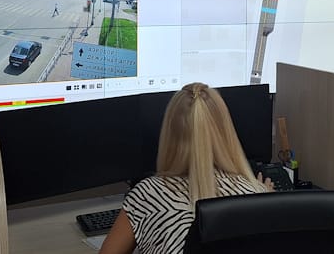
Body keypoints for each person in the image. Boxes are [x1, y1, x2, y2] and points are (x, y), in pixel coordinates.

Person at [99, 82, 272, 254]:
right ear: (226, 131)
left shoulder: (146, 195)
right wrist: (265, 196)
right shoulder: (258, 197)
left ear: (169, 133)